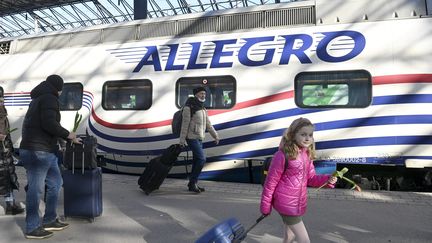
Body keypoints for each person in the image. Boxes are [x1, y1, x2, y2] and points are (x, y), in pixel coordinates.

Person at [19, 74, 81, 239]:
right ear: (58, 88)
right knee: (36, 188)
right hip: (37, 151)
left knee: (55, 183)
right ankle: (32, 227)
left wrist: (66, 137)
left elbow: (46, 125)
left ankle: (50, 219)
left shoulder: (38, 98)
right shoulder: (49, 98)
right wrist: (69, 134)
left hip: (45, 150)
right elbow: (49, 124)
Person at [260, 117, 337, 243]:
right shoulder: (282, 155)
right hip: (285, 203)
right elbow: (270, 182)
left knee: (289, 236)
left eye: (310, 135)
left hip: (297, 203)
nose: (307, 138)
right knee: (304, 240)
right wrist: (265, 206)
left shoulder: (306, 155)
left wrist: (327, 180)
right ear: (293, 135)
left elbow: (311, 178)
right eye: (303, 134)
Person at [179, 86, 219, 193]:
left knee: (197, 160)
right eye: (201, 94)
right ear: (196, 94)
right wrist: (182, 140)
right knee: (202, 159)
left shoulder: (202, 108)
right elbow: (185, 124)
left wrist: (215, 136)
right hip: (191, 138)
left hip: (200, 138)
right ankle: (193, 183)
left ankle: (193, 183)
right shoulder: (189, 107)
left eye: (204, 94)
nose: (203, 95)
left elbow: (208, 124)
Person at [0, 96, 25, 215]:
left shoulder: (3, 111)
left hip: (5, 149)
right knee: (5, 176)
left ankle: (11, 203)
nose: (1, 102)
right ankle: (10, 204)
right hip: (2, 150)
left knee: (6, 176)